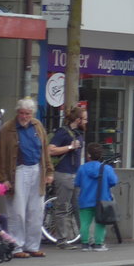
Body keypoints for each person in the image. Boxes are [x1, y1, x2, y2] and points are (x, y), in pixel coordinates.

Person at [0, 98, 53, 258]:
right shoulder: (7, 129)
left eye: (27, 113)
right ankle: (16, 246)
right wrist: (3, 178)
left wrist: (49, 171)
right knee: (17, 211)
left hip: (36, 170)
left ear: (32, 113)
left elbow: (45, 150)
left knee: (36, 210)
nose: (24, 116)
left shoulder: (37, 126)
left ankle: (32, 246)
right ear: (17, 112)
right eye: (22, 113)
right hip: (17, 171)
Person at [47, 106, 87, 248]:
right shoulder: (63, 132)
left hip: (75, 174)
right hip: (63, 173)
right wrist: (69, 147)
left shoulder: (78, 133)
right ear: (78, 120)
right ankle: (62, 240)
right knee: (63, 207)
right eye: (85, 119)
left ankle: (85, 237)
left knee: (79, 206)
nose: (86, 121)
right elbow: (50, 149)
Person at [74, 142, 118, 251]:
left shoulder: (82, 168)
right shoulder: (106, 168)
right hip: (102, 200)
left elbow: (77, 183)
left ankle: (85, 244)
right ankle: (98, 244)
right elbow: (113, 181)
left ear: (88, 155)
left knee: (85, 223)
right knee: (100, 223)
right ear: (101, 155)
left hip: (85, 199)